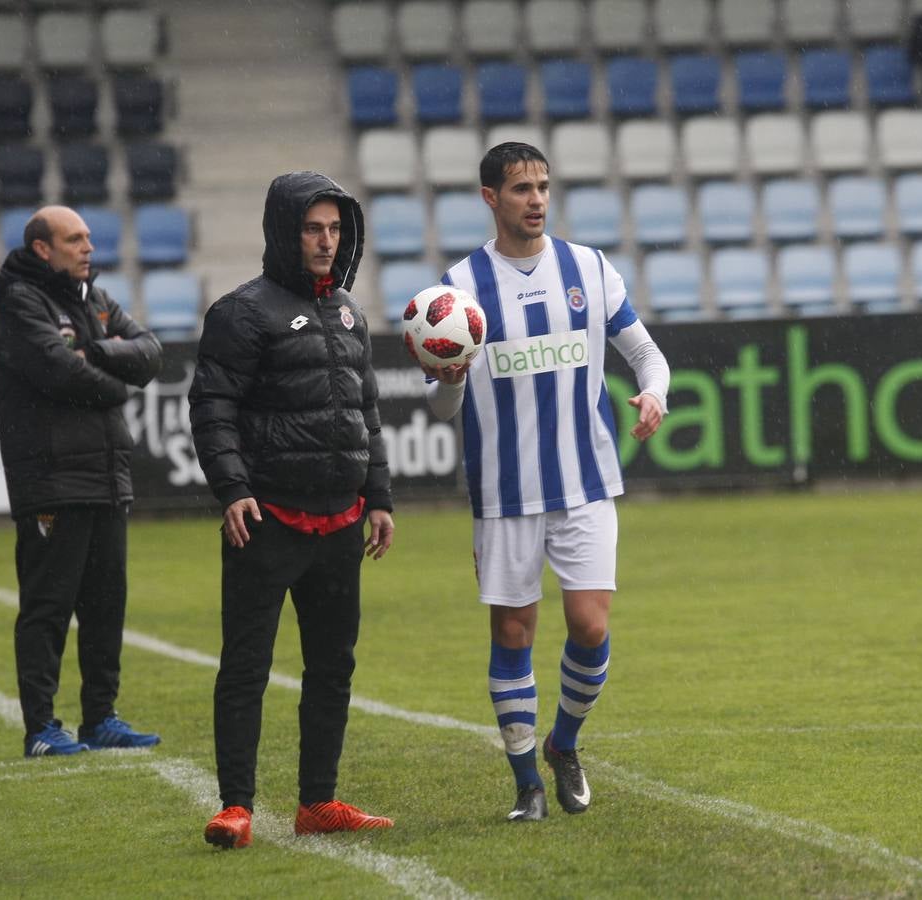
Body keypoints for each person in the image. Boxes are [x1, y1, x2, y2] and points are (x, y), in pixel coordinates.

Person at [423, 143, 670, 822]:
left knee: (589, 626)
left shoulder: (587, 268)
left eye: (543, 186)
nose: (535, 199)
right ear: (490, 199)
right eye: (521, 188)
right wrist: (447, 380)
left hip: (585, 480)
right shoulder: (461, 288)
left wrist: (654, 394)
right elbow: (441, 406)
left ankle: (564, 744)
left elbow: (645, 352)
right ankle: (526, 783)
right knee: (513, 634)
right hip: (504, 492)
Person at [191, 172, 396, 850]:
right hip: (267, 520)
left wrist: (381, 498)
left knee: (333, 666)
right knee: (247, 666)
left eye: (335, 229)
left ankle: (318, 801)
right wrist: (232, 489)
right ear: (285, 232)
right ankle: (235, 807)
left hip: (341, 522)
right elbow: (212, 408)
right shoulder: (240, 313)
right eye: (313, 229)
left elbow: (366, 412)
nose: (327, 242)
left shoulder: (349, 310)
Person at [0, 205, 165, 758]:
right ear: (43, 248)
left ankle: (100, 718)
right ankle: (41, 727)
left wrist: (101, 353)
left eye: (88, 237)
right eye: (75, 239)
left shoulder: (96, 299)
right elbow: (59, 372)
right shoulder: (19, 302)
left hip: (107, 476)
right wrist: (115, 383)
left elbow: (151, 353)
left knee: (106, 603)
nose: (88, 247)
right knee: (48, 606)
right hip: (52, 480)